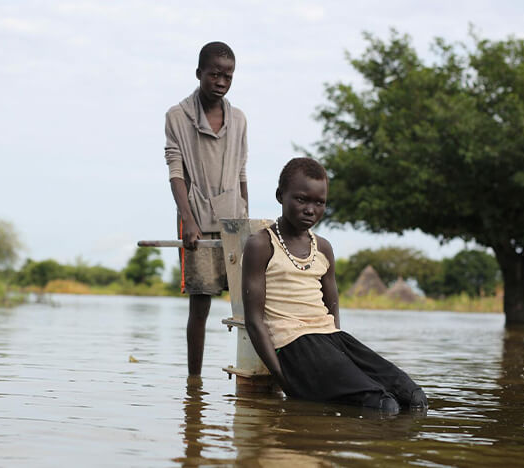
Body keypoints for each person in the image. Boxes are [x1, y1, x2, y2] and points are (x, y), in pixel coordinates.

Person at [241, 158, 427, 413]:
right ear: (280, 195)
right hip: (294, 344)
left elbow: (332, 308)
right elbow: (254, 320)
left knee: (413, 397)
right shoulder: (261, 245)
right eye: (301, 199)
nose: (310, 210)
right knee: (382, 405)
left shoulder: (323, 248)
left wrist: (338, 357)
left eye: (319, 203)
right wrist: (284, 378)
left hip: (332, 340)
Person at [164, 42, 249, 376]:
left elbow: (242, 172)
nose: (221, 81)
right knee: (200, 306)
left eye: (227, 76)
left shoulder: (239, 119)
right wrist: (188, 221)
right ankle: (194, 386)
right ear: (199, 73)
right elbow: (175, 172)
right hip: (195, 219)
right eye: (214, 74)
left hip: (234, 222)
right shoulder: (177, 116)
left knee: (247, 304)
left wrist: (247, 222)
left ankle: (251, 375)